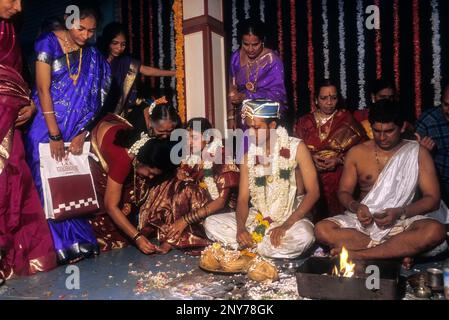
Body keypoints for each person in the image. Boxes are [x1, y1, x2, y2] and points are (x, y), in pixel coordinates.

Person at [25, 1, 111, 264]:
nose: (86, 35)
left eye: (91, 31)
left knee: (70, 184)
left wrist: (81, 133)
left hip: (74, 129)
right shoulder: (47, 44)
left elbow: (97, 100)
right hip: (45, 127)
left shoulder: (94, 57)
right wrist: (54, 135)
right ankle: (55, 245)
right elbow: (42, 90)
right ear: (68, 20)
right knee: (46, 183)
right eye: (81, 29)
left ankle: (78, 240)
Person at [315, 100, 447, 265]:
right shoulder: (357, 153)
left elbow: (432, 200)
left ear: (402, 127)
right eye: (377, 131)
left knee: (436, 231)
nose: (382, 137)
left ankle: (360, 255)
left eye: (389, 131)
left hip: (403, 221)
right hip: (364, 223)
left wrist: (399, 212)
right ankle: (395, 252)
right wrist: (356, 207)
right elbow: (344, 192)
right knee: (322, 230)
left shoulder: (418, 153)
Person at [205, 100, 319, 259]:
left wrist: (286, 226)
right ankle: (260, 246)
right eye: (249, 128)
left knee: (305, 236)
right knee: (211, 223)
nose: (250, 133)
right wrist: (240, 230)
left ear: (272, 126)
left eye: (256, 128)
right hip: (258, 216)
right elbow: (243, 200)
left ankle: (250, 248)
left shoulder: (296, 148)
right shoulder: (248, 156)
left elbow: (313, 192)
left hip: (291, 217)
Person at [0, 0, 57, 283]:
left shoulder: (9, 30)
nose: (19, 6)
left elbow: (16, 79)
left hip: (10, 124)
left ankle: (10, 256)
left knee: (16, 187)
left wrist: (29, 105)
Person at [88, 100, 181, 253]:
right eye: (150, 173)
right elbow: (110, 206)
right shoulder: (122, 162)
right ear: (141, 161)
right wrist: (136, 237)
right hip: (98, 139)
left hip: (114, 129)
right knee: (117, 233)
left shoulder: (144, 143)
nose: (150, 177)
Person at [139, 117, 240, 254]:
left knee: (186, 190)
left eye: (194, 137)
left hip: (222, 209)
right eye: (187, 137)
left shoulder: (220, 156)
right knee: (169, 184)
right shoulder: (193, 155)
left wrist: (185, 220)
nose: (189, 142)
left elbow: (221, 201)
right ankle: (167, 231)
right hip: (200, 200)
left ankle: (173, 237)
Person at [295, 79, 366, 219]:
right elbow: (292, 149)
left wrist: (339, 159)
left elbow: (364, 150)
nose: (329, 102)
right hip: (310, 176)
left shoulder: (347, 119)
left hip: (339, 176)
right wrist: (309, 160)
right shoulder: (304, 122)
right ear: (316, 99)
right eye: (323, 98)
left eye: (333, 98)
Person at [97, 22, 176, 118]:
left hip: (116, 112)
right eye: (115, 43)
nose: (119, 48)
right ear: (107, 41)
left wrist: (174, 73)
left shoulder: (125, 61)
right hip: (96, 108)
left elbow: (146, 70)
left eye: (123, 44)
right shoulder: (96, 59)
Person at [227, 19, 287, 130]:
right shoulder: (235, 58)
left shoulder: (272, 60)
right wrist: (231, 118)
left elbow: (278, 95)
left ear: (262, 40)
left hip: (265, 120)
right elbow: (232, 86)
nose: (250, 49)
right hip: (242, 117)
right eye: (246, 44)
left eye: (255, 44)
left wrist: (247, 96)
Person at [416, 84, 449, 207]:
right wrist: (424, 152)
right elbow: (411, 157)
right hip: (442, 184)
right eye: (446, 105)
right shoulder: (428, 121)